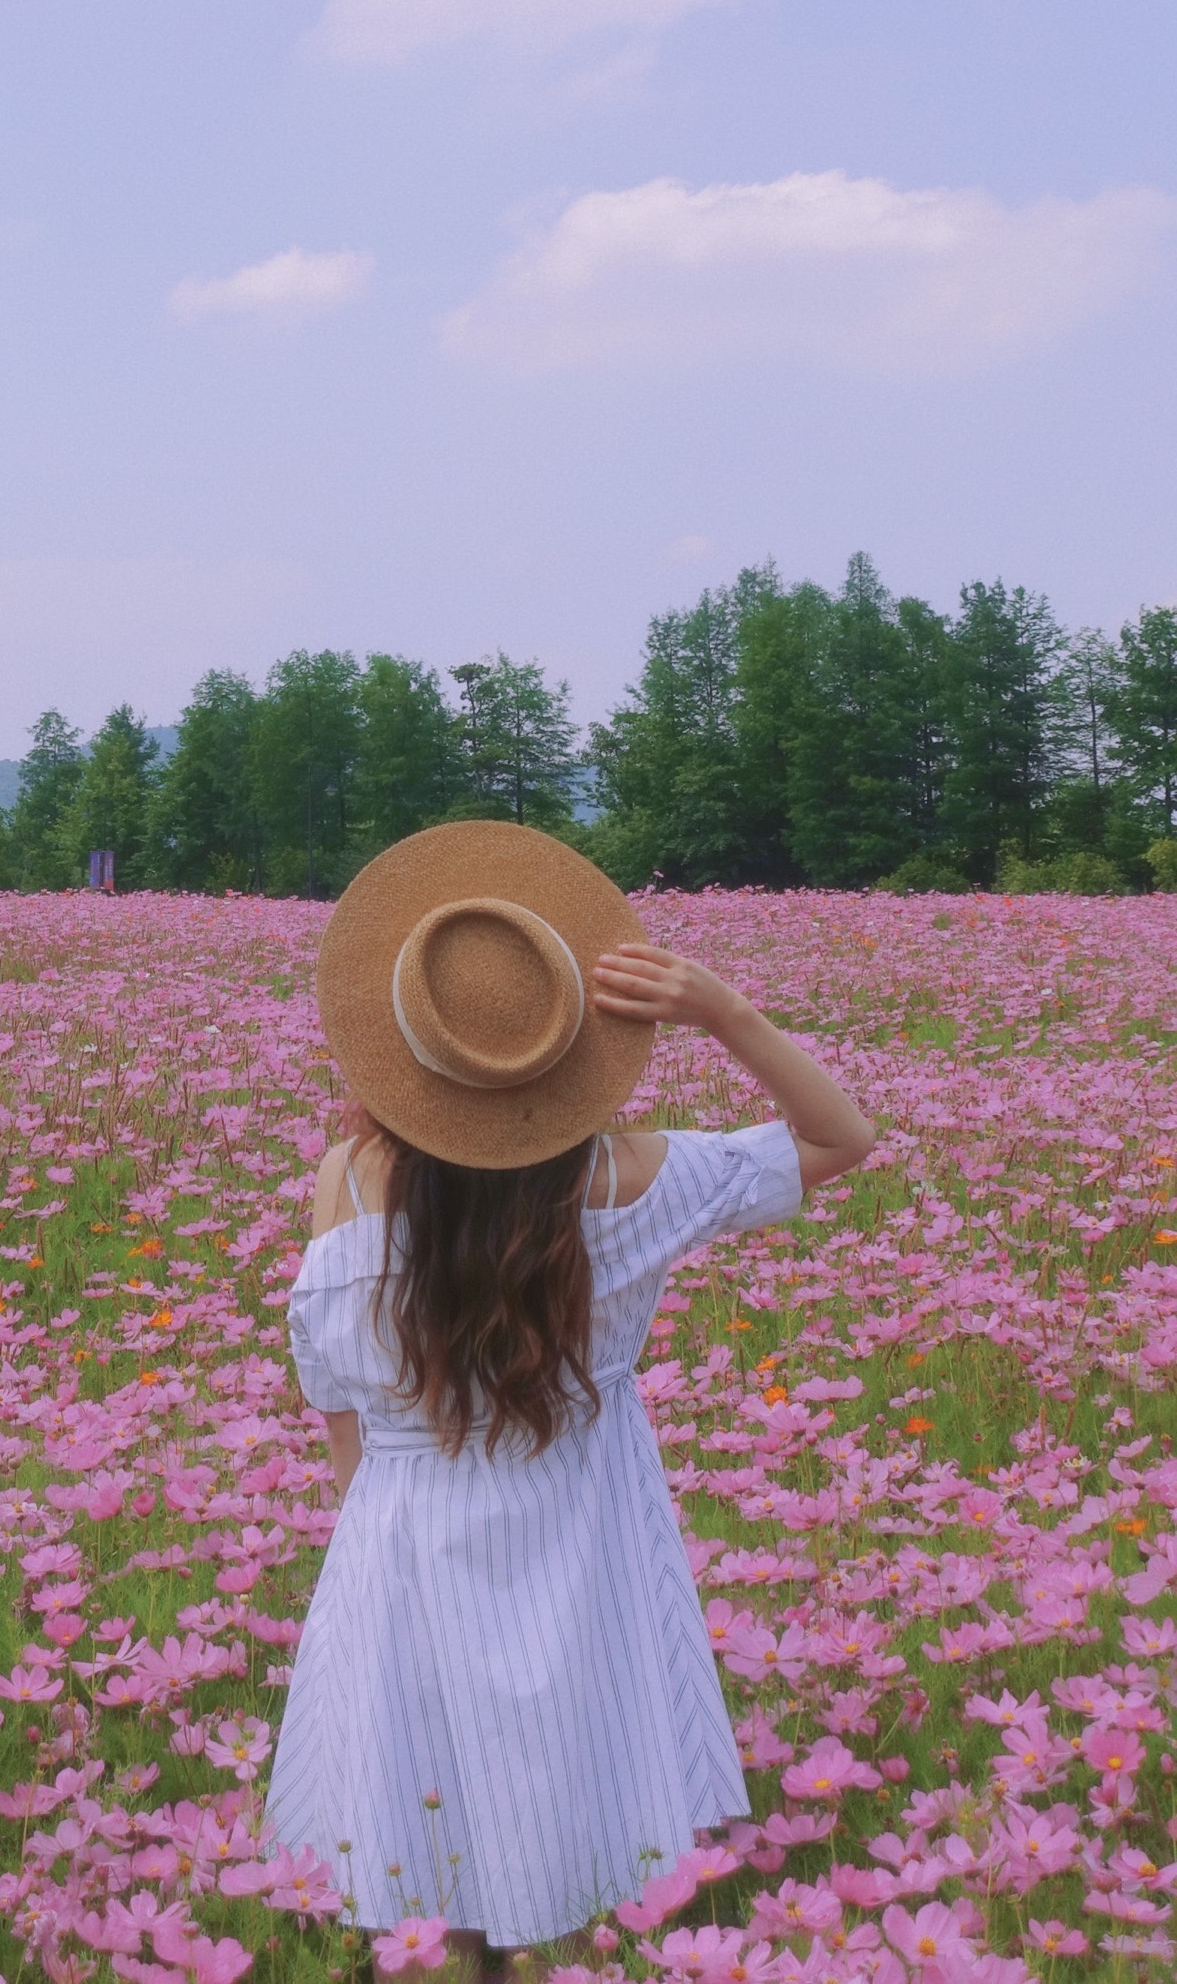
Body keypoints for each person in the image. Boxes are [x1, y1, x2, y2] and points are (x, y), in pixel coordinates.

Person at [263, 823, 875, 1976]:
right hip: (586, 1540)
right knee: (574, 1799)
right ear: (565, 1048)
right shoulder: (630, 1179)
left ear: (399, 1046)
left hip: (404, 1546)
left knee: (423, 1821)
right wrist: (726, 1013)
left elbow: (338, 1408)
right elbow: (841, 1138)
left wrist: (369, 1533)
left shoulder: (343, 1183)